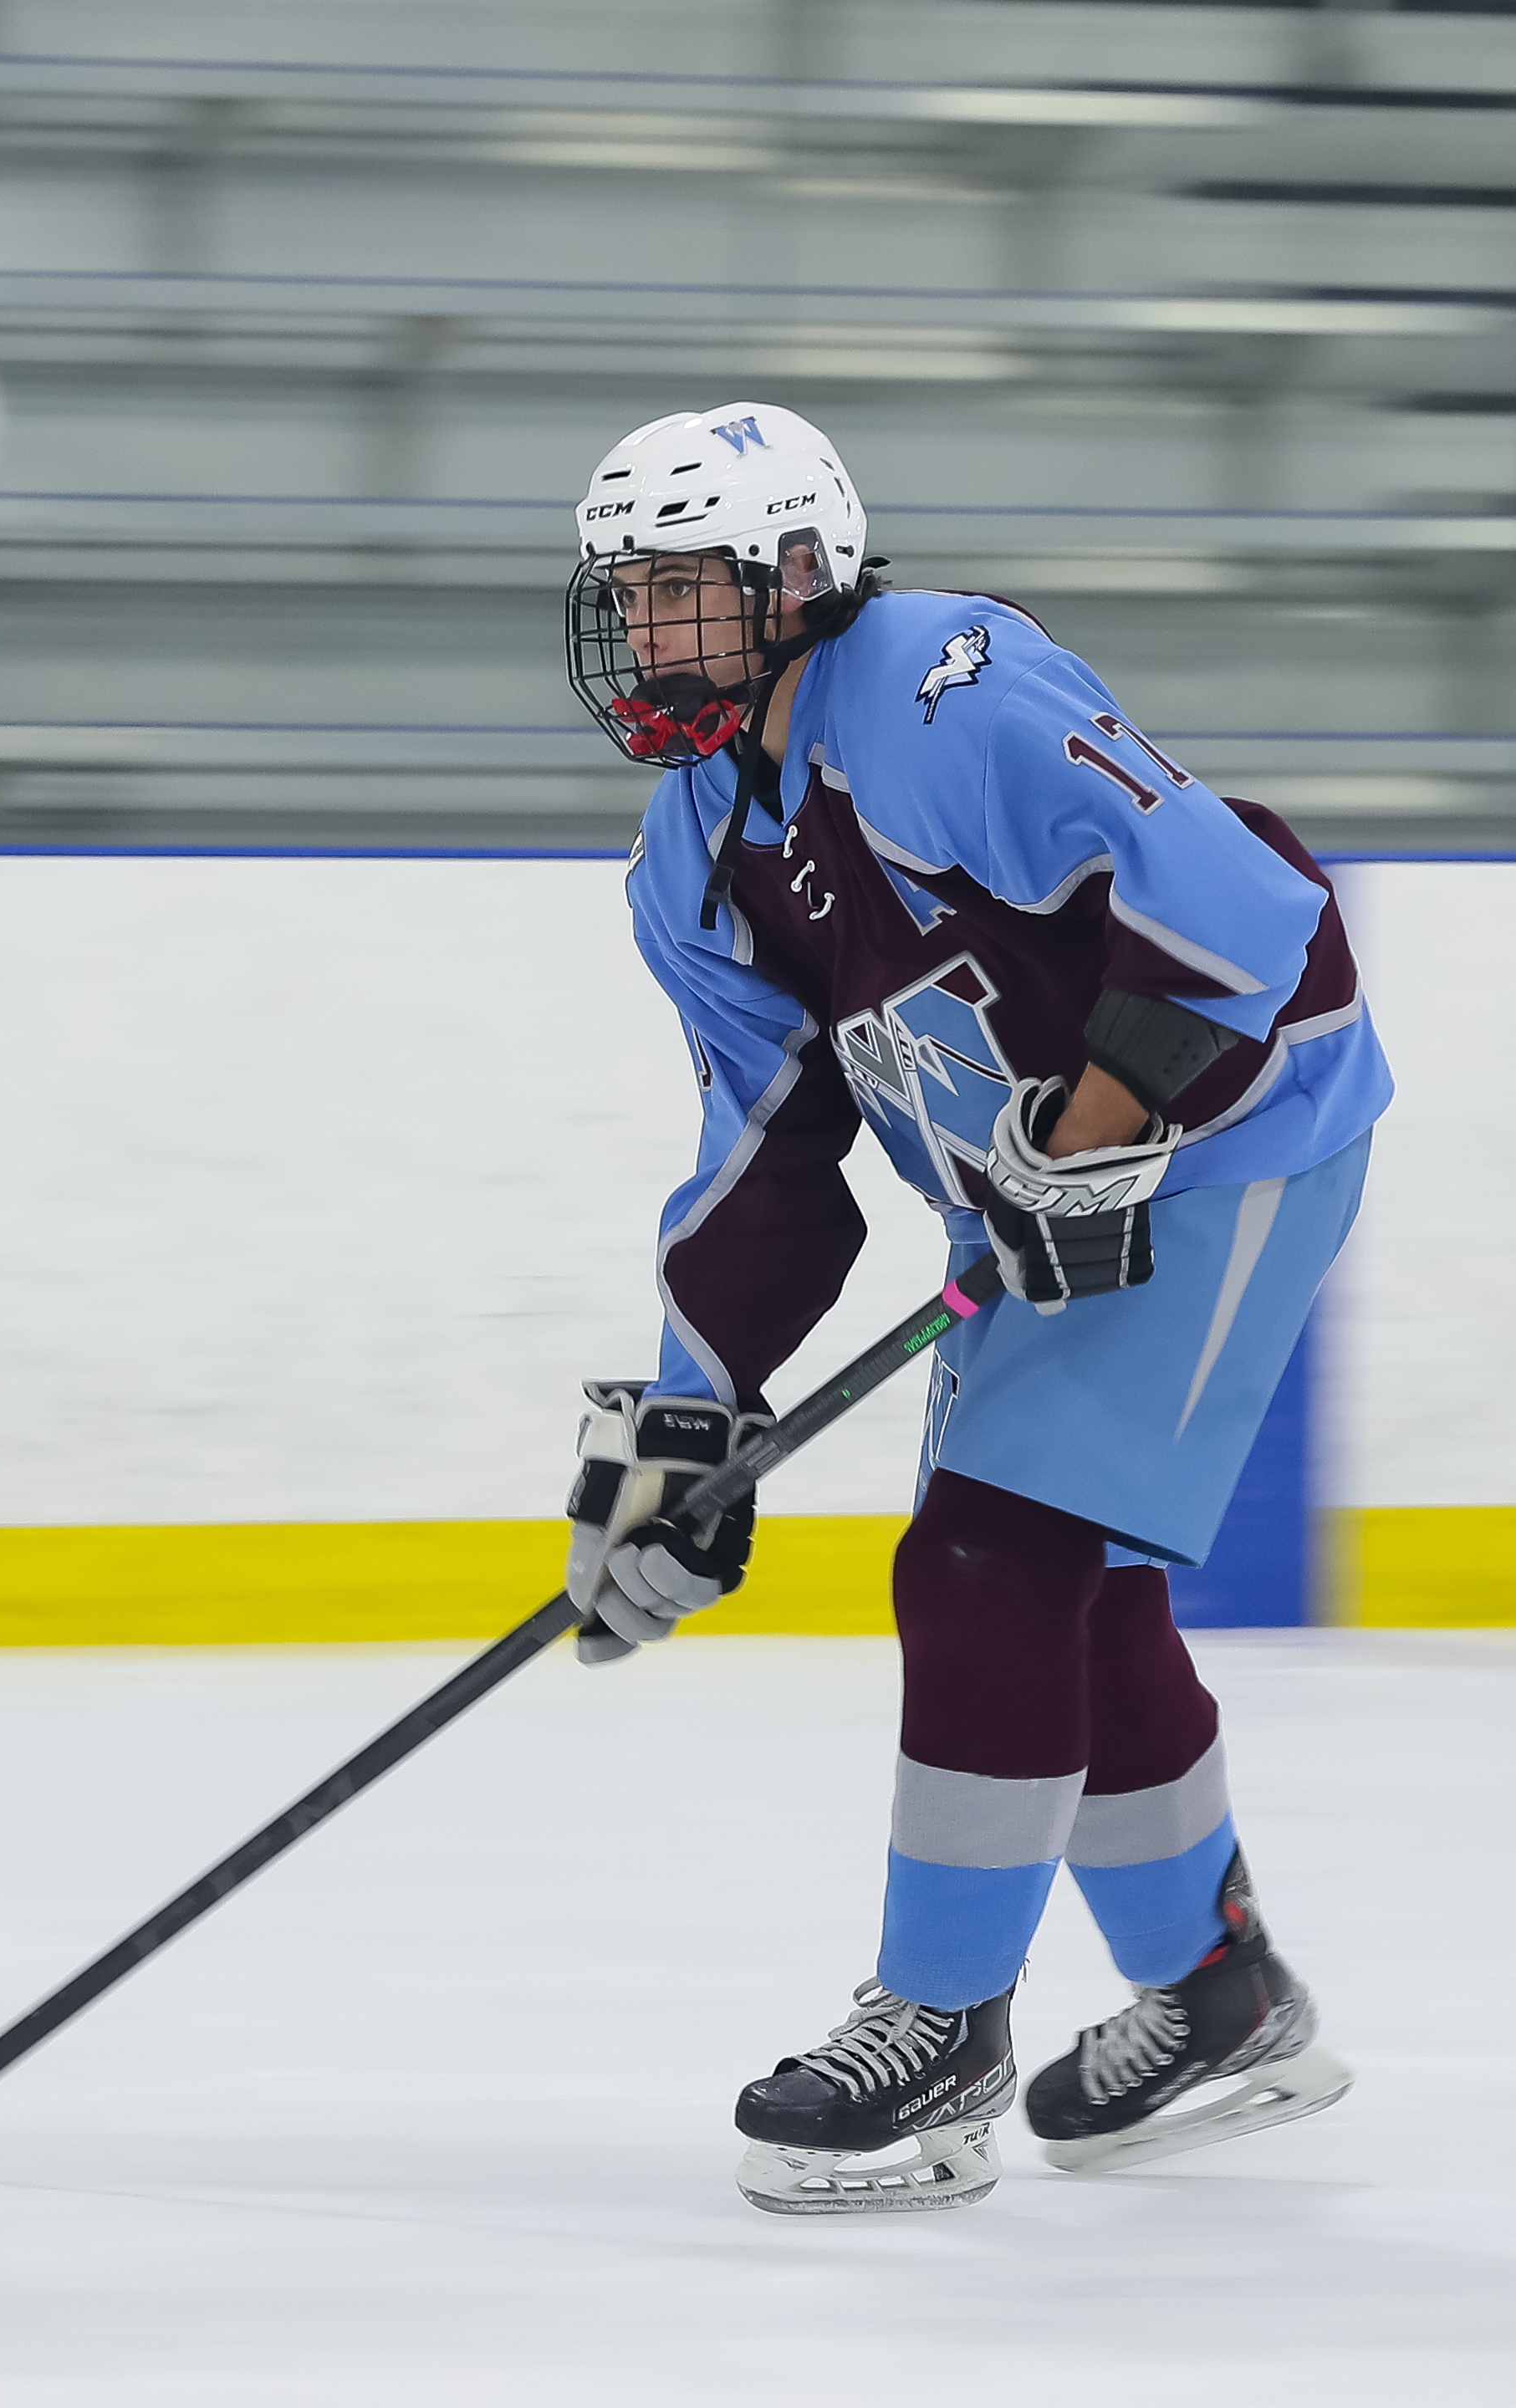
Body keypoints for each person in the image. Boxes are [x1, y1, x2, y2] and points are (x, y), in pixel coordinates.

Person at [559, 402, 1390, 2216]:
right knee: (1058, 1592)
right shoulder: (691, 847)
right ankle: (1217, 1992)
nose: (645, 637)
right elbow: (769, 1148)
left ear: (797, 578)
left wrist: (1097, 1128)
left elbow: (1247, 906)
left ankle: (938, 2032)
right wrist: (694, 1415)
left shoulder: (942, 689)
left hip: (1240, 1136)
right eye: (626, 598)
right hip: (1062, 1193)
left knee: (983, 1564)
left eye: (684, 591)